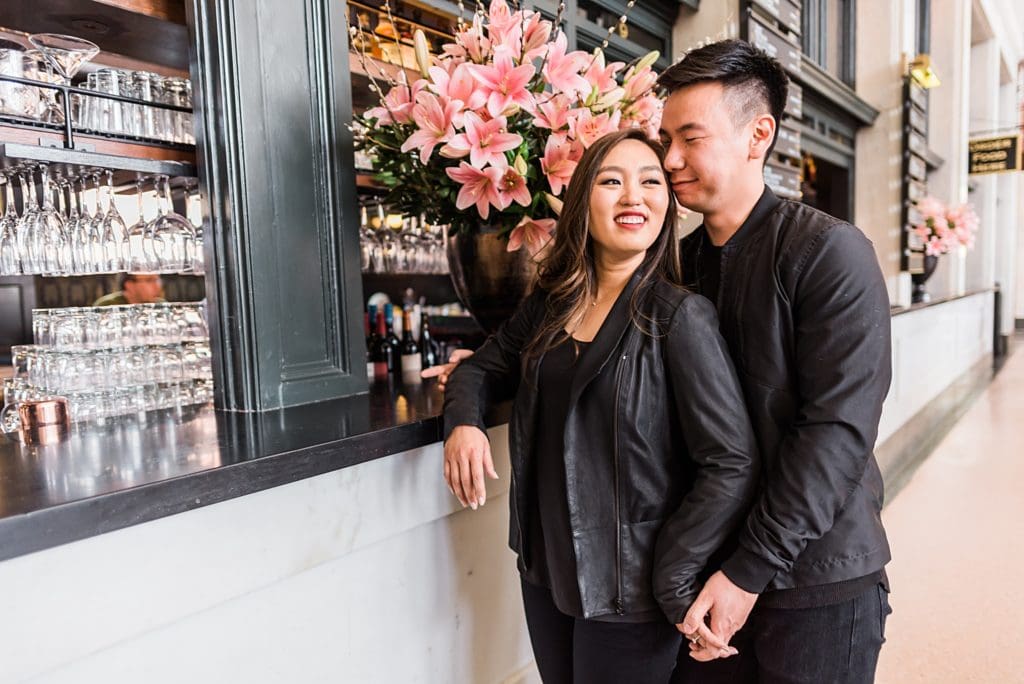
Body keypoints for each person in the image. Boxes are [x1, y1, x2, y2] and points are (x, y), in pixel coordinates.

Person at [429, 39, 894, 684]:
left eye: (689, 139)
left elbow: (835, 436)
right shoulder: (678, 265)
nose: (669, 161)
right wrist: (477, 382)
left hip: (812, 575)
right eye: (664, 139)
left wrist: (744, 572)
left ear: (758, 135)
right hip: (706, 577)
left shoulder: (828, 253)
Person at [441, 128, 760, 684]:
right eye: (612, 181)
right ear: (583, 199)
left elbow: (731, 462)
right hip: (545, 568)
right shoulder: (552, 301)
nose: (633, 197)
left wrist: (673, 571)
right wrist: (464, 423)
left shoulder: (679, 317)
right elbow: (480, 367)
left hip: (630, 587)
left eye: (650, 182)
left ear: (667, 202)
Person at [93, 273, 164, 306]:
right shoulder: (107, 306)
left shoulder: (160, 304)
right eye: (149, 280)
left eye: (157, 280)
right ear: (129, 285)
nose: (156, 286)